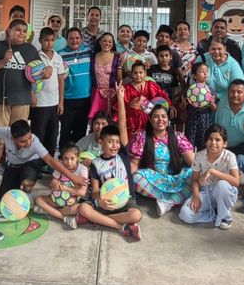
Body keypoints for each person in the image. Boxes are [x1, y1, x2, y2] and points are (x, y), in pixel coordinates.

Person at [0, 19, 40, 192]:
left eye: (24, 31)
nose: (21, 33)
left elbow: (36, 73)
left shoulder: (30, 49)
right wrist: (2, 62)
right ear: (9, 31)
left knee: (20, 139)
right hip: (1, 100)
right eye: (18, 30)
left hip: (22, 100)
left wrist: (46, 72)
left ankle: (18, 173)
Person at [0, 119, 87, 199]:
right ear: (13, 138)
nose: (28, 142)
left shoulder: (34, 141)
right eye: (23, 141)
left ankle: (26, 194)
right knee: (3, 198)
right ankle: (16, 186)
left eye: (29, 138)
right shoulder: (6, 132)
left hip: (30, 164)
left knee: (26, 183)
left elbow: (50, 160)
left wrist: (73, 177)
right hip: (12, 166)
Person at [77, 104, 142, 242]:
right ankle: (120, 227)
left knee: (136, 215)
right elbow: (94, 190)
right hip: (106, 202)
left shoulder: (123, 155)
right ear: (101, 142)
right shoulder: (96, 163)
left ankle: (96, 220)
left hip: (126, 200)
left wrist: (120, 97)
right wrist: (99, 202)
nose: (115, 145)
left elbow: (123, 124)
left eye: (117, 142)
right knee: (83, 208)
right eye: (110, 142)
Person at [129, 104, 195, 217]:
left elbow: (193, 162)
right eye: (156, 116)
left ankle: (166, 202)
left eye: (164, 116)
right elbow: (134, 164)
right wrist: (124, 182)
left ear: (168, 119)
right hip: (153, 178)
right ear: (150, 119)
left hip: (175, 179)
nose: (160, 120)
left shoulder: (177, 137)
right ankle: (174, 199)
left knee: (193, 175)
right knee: (135, 177)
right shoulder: (142, 137)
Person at [179, 125, 240, 229]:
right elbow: (194, 180)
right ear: (205, 141)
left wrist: (212, 171)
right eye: (210, 139)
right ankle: (215, 214)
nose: (213, 143)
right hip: (206, 191)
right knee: (185, 214)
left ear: (225, 143)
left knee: (221, 185)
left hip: (225, 192)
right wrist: (196, 197)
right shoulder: (199, 156)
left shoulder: (230, 156)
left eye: (218, 140)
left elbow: (236, 182)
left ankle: (225, 217)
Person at [30, 27, 68, 157]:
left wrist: (61, 102)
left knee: (52, 135)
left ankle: (49, 162)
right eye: (46, 40)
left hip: (54, 103)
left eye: (52, 40)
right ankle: (36, 162)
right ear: (40, 40)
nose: (49, 43)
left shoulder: (58, 57)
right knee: (38, 134)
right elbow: (29, 77)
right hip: (39, 103)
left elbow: (61, 80)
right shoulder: (35, 56)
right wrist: (32, 95)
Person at [33, 143, 88, 229]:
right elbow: (52, 183)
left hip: (71, 203)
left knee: (77, 209)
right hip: (56, 200)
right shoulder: (61, 166)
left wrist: (65, 188)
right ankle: (65, 218)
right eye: (66, 158)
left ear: (78, 158)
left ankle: (48, 211)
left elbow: (82, 192)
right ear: (62, 159)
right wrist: (54, 183)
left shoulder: (83, 170)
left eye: (72, 158)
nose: (69, 162)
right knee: (38, 199)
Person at [59, 27, 94, 147]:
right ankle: (63, 154)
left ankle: (77, 155)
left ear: (82, 39)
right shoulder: (60, 54)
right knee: (65, 129)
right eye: (71, 38)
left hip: (85, 98)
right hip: (67, 99)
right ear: (66, 40)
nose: (74, 40)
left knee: (81, 130)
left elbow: (105, 51)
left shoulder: (89, 51)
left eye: (77, 38)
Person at [214, 79, 244, 156]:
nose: (235, 95)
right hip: (222, 148)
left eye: (239, 92)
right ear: (227, 93)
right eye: (232, 91)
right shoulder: (220, 105)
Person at [122, 60, 170, 139]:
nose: (138, 75)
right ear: (131, 74)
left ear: (145, 73)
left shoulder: (151, 85)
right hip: (133, 119)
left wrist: (170, 106)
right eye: (135, 73)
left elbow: (162, 98)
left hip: (150, 118)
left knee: (150, 139)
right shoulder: (127, 88)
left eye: (141, 72)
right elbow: (123, 106)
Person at [199, 37, 244, 107]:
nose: (216, 52)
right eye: (213, 49)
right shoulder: (202, 59)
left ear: (225, 49)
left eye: (219, 49)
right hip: (203, 102)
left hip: (226, 103)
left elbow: (240, 87)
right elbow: (193, 81)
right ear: (209, 49)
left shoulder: (232, 64)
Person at [184, 62, 218, 150]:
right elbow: (182, 107)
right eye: (202, 71)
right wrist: (183, 104)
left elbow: (214, 109)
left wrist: (212, 103)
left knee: (204, 145)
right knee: (189, 144)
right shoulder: (190, 90)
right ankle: (188, 162)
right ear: (194, 76)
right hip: (192, 121)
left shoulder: (211, 90)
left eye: (207, 71)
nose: (205, 73)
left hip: (205, 121)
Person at [89, 32, 122, 118]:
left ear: (113, 44)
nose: (107, 43)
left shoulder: (117, 58)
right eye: (104, 41)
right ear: (100, 42)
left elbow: (119, 79)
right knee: (96, 120)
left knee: (111, 120)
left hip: (113, 94)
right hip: (96, 94)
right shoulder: (92, 56)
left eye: (110, 42)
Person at [148, 45, 180, 114]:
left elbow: (173, 89)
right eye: (161, 56)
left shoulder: (173, 71)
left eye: (166, 55)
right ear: (157, 57)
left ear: (170, 57)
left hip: (166, 102)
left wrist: (172, 105)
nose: (164, 58)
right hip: (152, 101)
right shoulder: (152, 69)